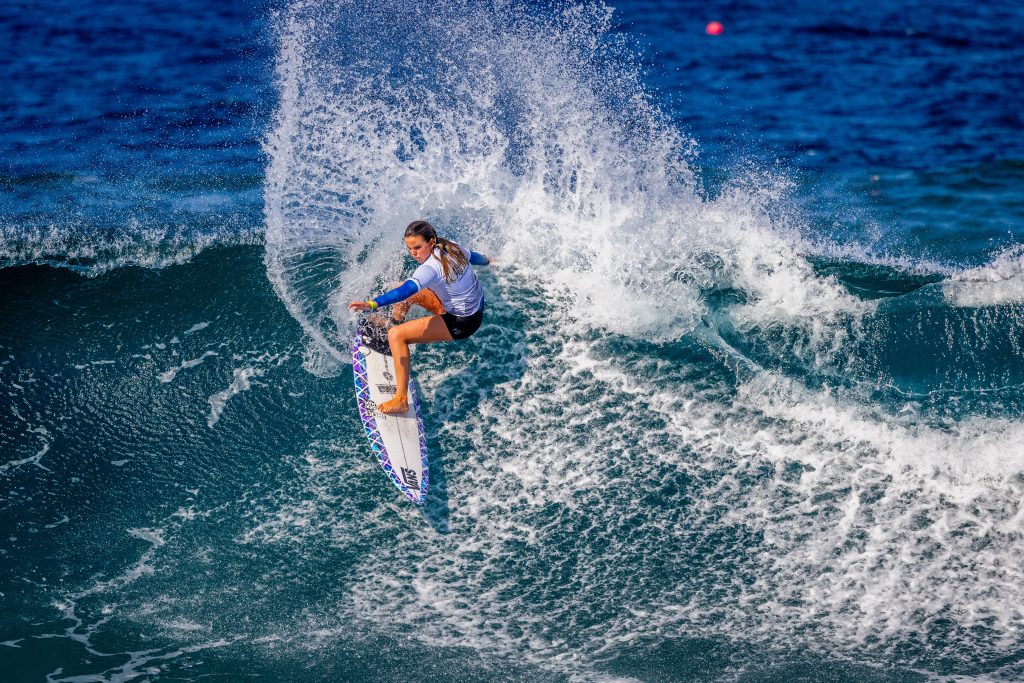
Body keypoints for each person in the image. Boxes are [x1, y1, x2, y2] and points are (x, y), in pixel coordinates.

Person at [349, 220, 491, 414]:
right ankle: (394, 326)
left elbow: (406, 291)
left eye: (417, 247)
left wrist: (372, 304)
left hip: (464, 321)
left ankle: (400, 400)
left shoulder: (431, 267)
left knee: (398, 335)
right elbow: (475, 257)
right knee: (402, 287)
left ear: (431, 242)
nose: (414, 254)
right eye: (409, 249)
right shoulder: (452, 247)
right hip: (475, 306)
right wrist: (490, 260)